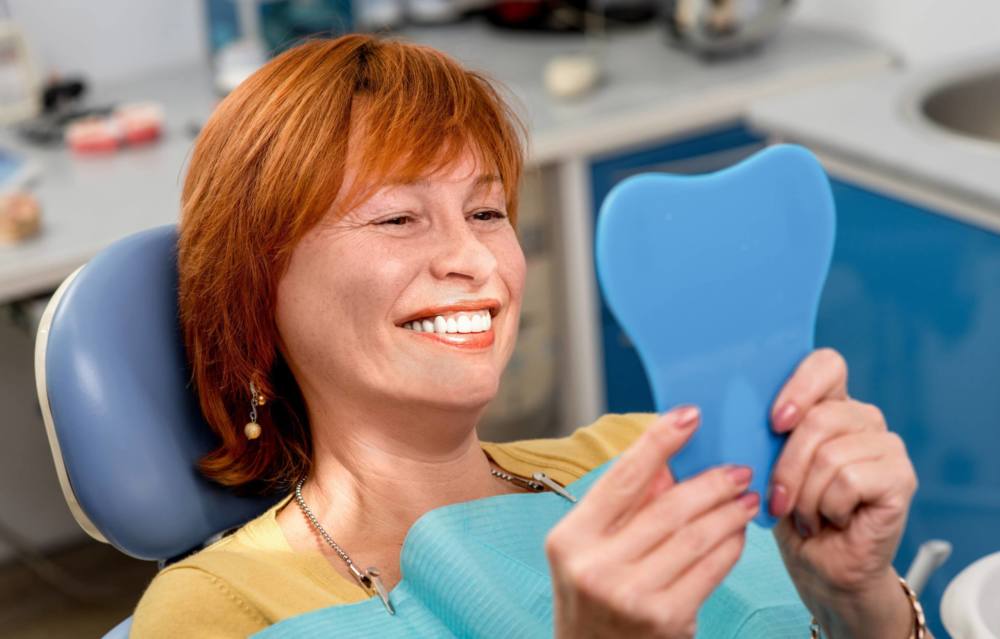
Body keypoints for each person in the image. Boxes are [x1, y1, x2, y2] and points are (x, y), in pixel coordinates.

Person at [131, 33, 925, 638]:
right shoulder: (218, 610)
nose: (476, 259)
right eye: (399, 218)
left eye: (487, 212)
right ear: (257, 291)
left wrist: (860, 601)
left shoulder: (647, 456)